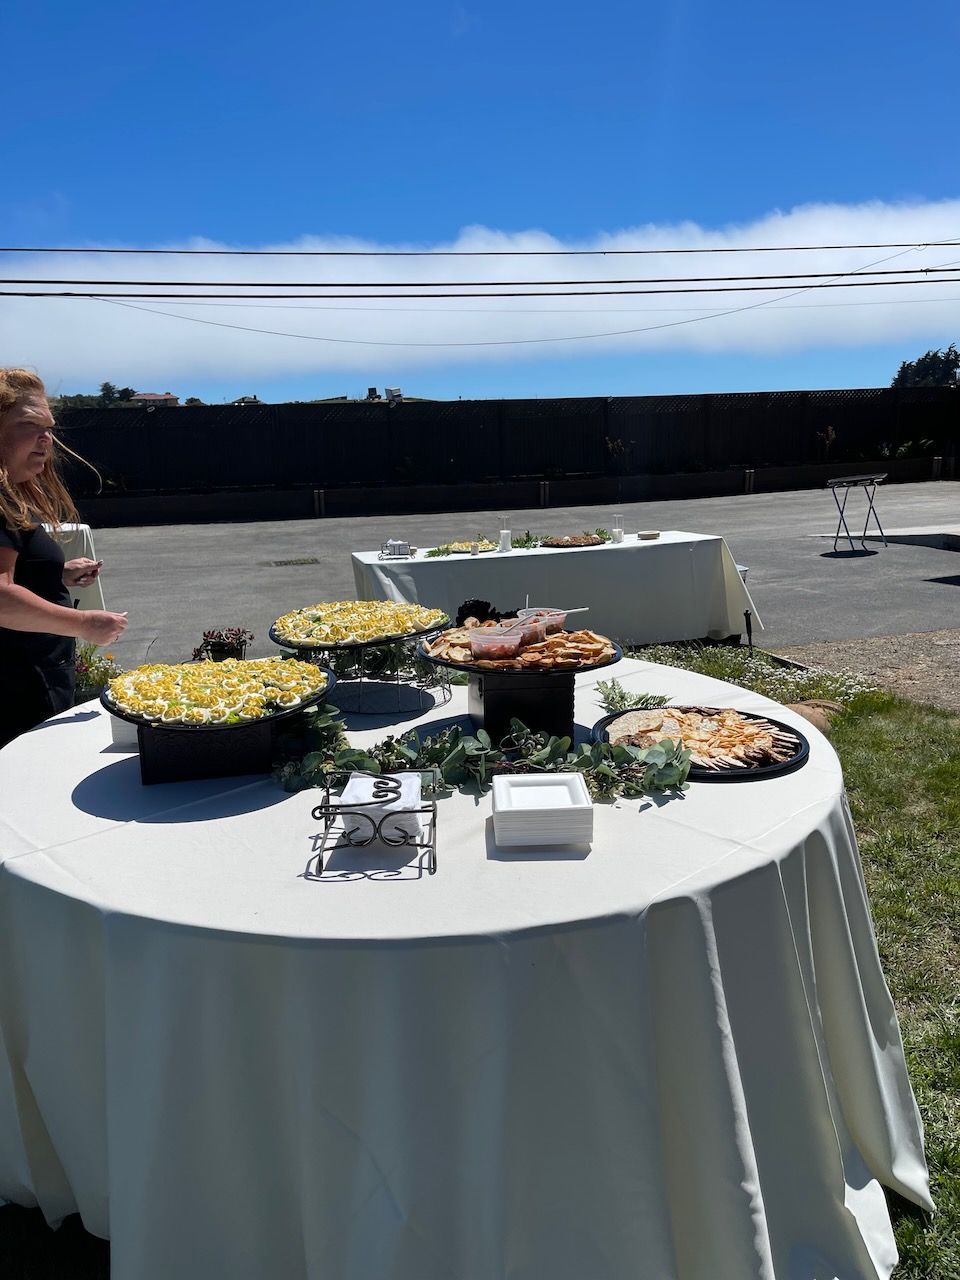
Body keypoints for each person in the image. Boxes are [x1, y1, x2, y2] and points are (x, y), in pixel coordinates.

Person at [0, 368, 128, 748]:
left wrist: (56, 573)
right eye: (29, 425)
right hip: (17, 693)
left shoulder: (11, 496)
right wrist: (84, 623)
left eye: (50, 428)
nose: (46, 440)